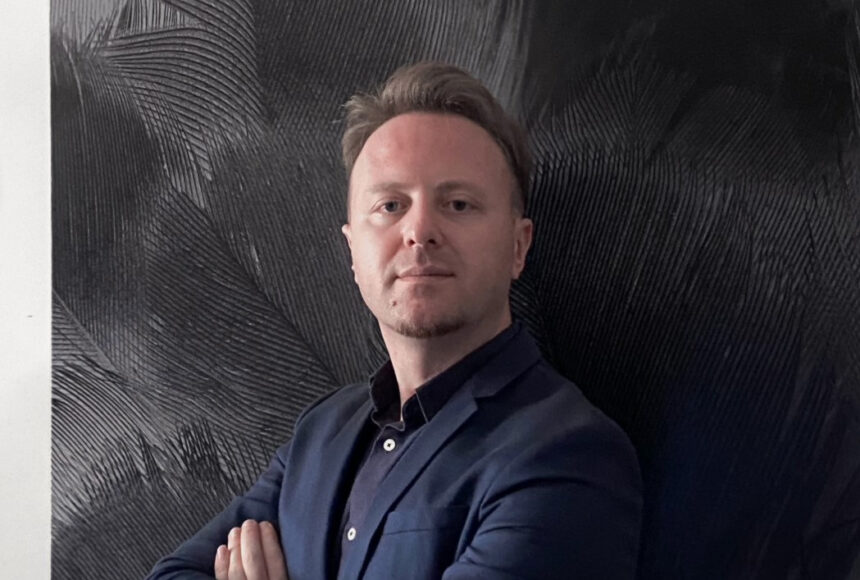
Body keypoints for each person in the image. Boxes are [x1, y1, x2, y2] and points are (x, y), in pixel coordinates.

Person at [147, 61, 642, 580]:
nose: (420, 229)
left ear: (518, 247)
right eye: (390, 205)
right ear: (353, 252)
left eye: (458, 204)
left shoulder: (568, 454)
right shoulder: (320, 432)